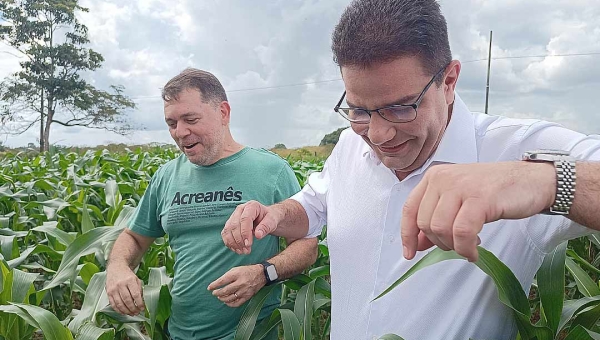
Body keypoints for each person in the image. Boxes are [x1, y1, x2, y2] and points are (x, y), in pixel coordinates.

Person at [221, 0, 600, 339]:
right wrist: (273, 215)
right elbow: (314, 205)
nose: (379, 134)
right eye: (359, 110)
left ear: (449, 81)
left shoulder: (515, 149)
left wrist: (544, 180)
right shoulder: (352, 144)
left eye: (402, 107)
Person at [106, 68, 318, 340]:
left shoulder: (271, 171)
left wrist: (263, 273)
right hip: (180, 333)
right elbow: (134, 237)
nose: (180, 132)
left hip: (250, 333)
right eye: (171, 123)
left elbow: (306, 244)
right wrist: (117, 268)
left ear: (223, 113)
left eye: (190, 119)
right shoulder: (166, 176)